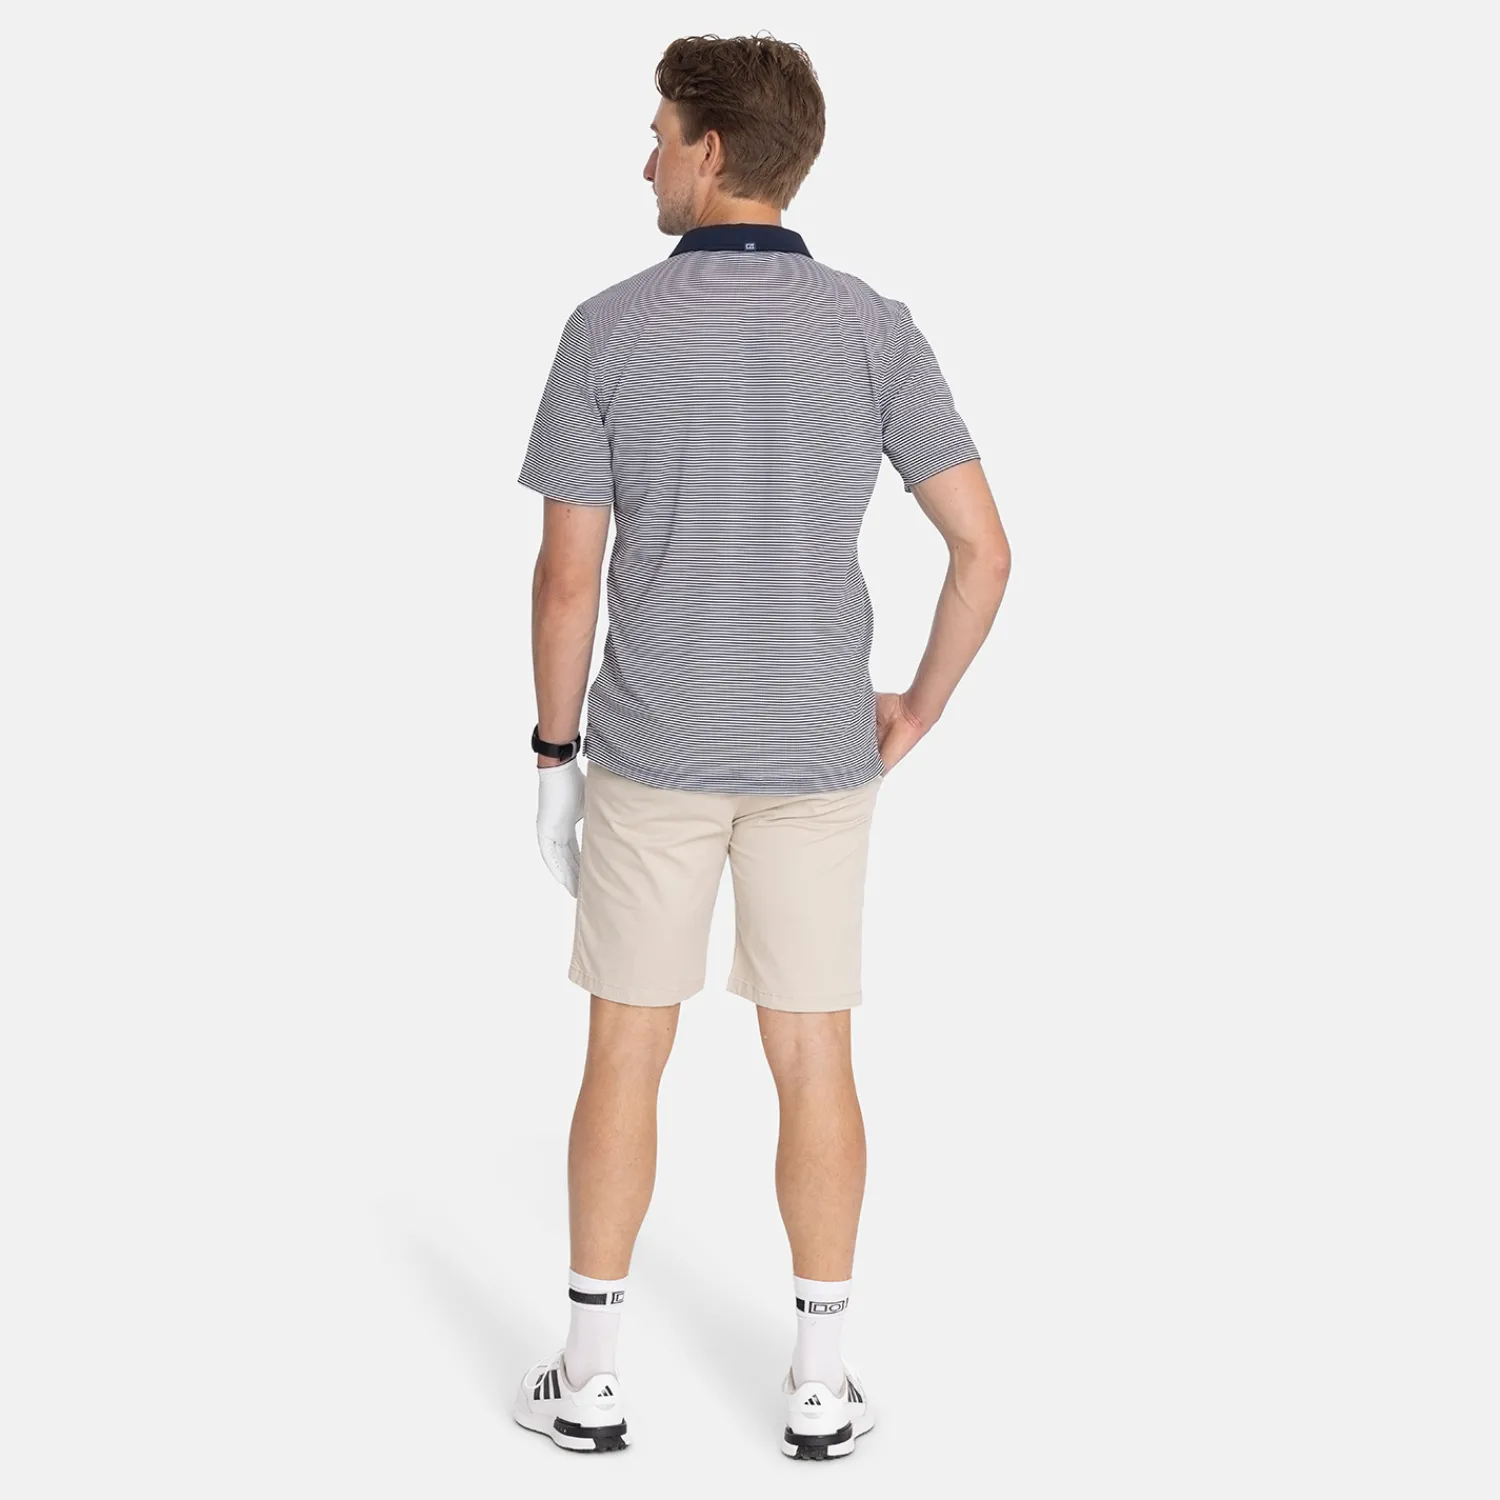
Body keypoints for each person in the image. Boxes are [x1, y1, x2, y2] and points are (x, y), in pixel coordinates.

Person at [512, 33, 1010, 1460]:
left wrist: (552, 758)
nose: (647, 160)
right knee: (814, 1053)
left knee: (626, 1046)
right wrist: (916, 708)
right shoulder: (875, 330)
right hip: (815, 753)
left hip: (654, 751)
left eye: (660, 133)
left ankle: (590, 1378)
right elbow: (984, 553)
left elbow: (565, 582)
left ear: (713, 151)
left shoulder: (607, 329)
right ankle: (820, 1387)